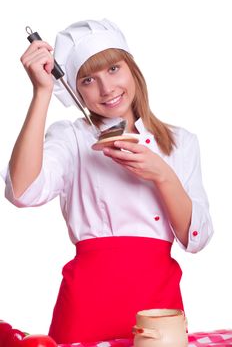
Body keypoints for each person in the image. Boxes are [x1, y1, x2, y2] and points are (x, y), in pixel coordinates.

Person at [2, 19, 213, 344]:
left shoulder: (180, 142)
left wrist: (161, 174)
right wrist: (41, 93)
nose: (106, 88)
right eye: (88, 79)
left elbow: (195, 239)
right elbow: (22, 192)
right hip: (85, 306)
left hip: (158, 309)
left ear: (132, 69)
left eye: (114, 69)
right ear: (76, 90)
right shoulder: (72, 138)